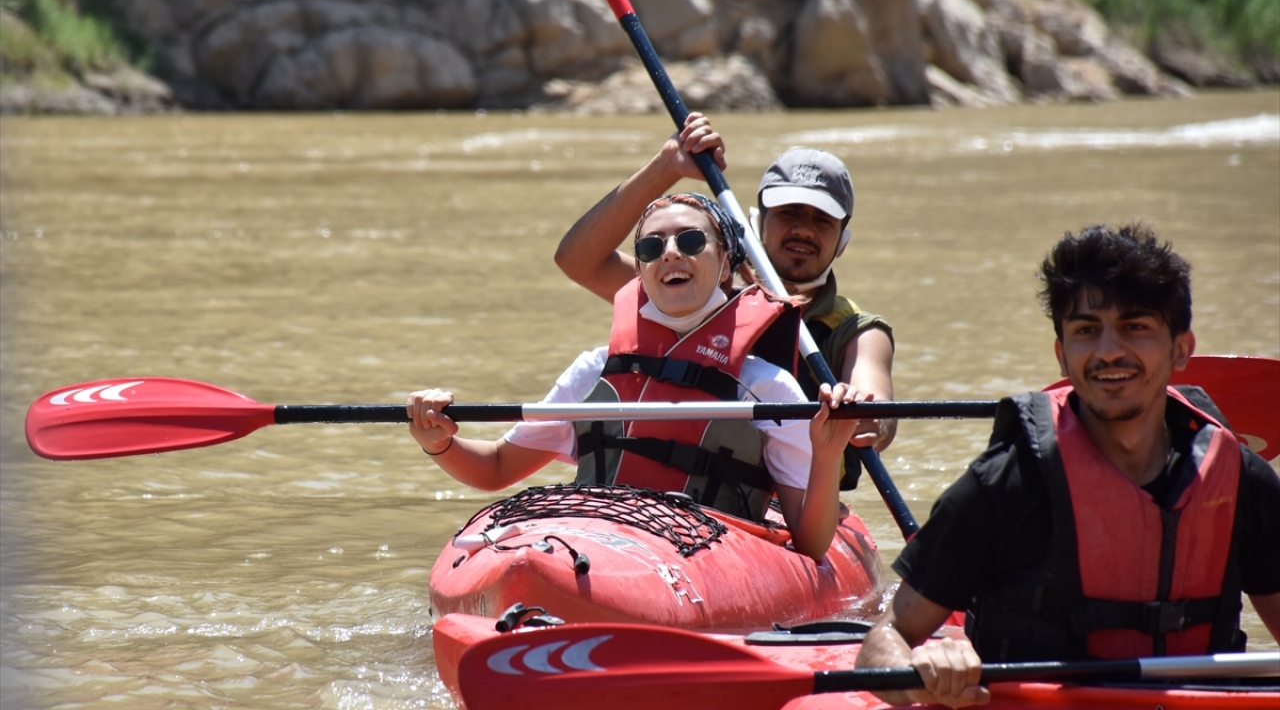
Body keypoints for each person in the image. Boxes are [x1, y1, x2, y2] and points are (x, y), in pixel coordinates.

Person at [854, 224, 1280, 708]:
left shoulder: (1243, 483)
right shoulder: (1008, 483)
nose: (1108, 351)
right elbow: (882, 644)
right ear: (1062, 355)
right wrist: (923, 674)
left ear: (1182, 348)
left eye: (1135, 326)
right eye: (1085, 331)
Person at [408, 193, 860, 562]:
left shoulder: (769, 388)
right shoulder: (594, 371)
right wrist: (439, 442)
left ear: (725, 265)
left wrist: (827, 453)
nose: (670, 253)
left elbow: (811, 543)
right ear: (641, 271)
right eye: (650, 247)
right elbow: (496, 468)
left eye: (690, 241)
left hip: (707, 557)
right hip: (594, 541)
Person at [554, 114, 896, 489]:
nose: (802, 229)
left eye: (821, 220)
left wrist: (871, 419)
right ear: (755, 222)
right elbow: (578, 260)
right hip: (687, 494)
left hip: (794, 504)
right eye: (789, 213)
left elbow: (876, 403)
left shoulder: (858, 331)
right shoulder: (691, 290)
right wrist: (667, 166)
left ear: (842, 241)